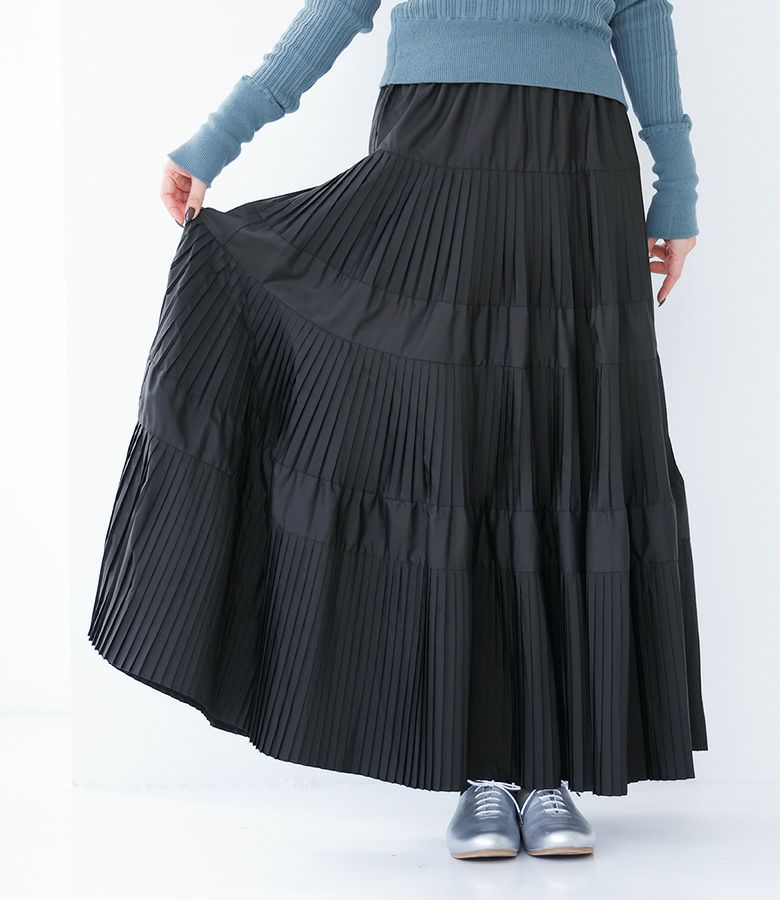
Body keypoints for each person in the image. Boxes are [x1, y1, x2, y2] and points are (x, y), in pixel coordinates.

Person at [90, 1, 708, 862]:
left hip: (582, 160)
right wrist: (219, 137)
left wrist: (676, 184)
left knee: (564, 436)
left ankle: (550, 770)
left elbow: (641, 8)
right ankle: (485, 770)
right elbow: (342, 6)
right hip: (434, 140)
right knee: (458, 442)